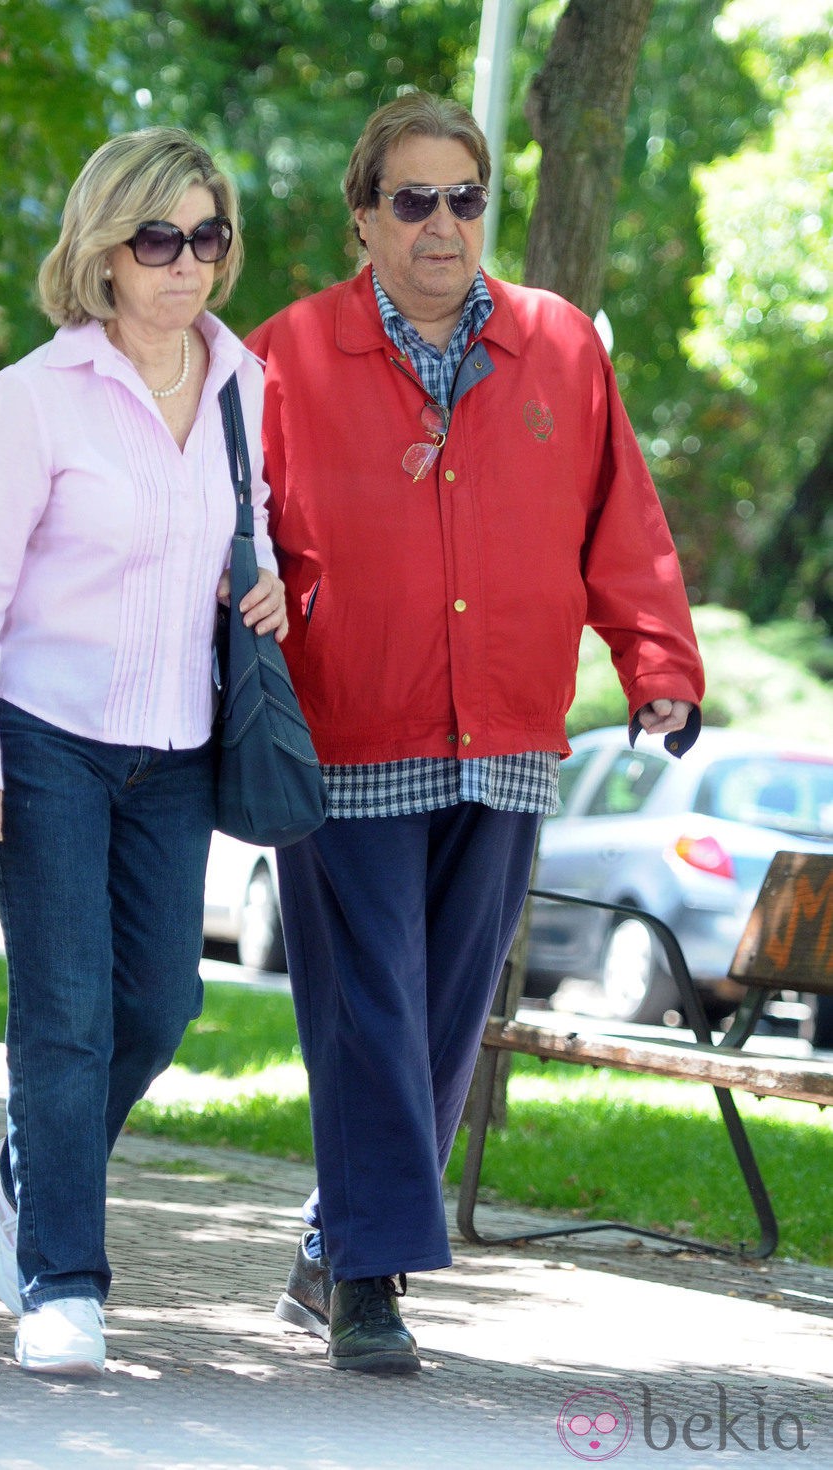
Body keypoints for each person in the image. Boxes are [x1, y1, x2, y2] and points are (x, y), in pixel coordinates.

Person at [245, 92, 704, 1375]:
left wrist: (654, 662)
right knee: (369, 1012)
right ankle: (373, 1287)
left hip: (502, 734)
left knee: (443, 1018)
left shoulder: (559, 347)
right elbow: (234, 538)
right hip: (346, 732)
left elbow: (623, 524)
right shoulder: (283, 354)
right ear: (363, 216)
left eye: (463, 198)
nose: (442, 226)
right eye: (412, 200)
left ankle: (342, 1238)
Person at [0, 127, 287, 1377]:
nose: (185, 263)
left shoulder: (246, 385)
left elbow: (246, 544)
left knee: (165, 1002)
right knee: (67, 1018)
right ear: (104, 250)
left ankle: (23, 1166)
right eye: (158, 239)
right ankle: (63, 1285)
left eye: (207, 236)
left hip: (177, 746)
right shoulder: (38, 393)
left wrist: (270, 590)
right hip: (47, 741)